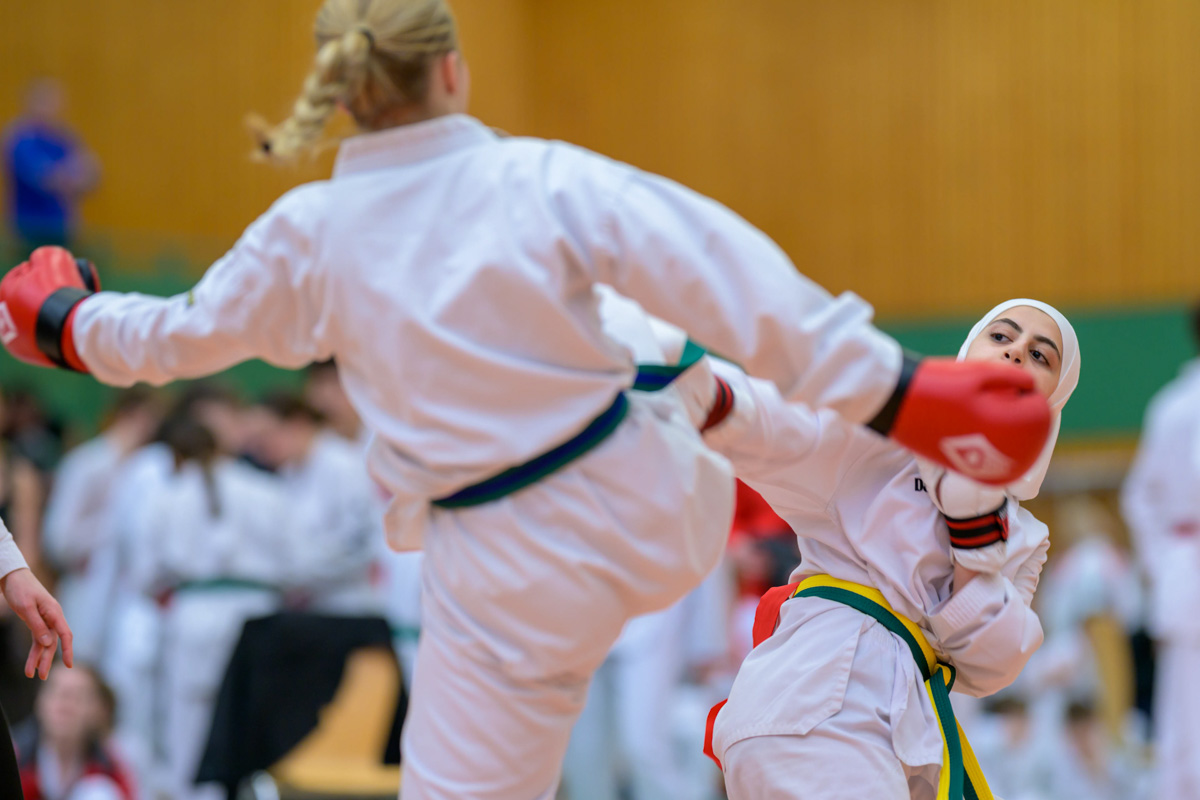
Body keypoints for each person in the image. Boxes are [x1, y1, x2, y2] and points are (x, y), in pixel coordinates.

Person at [0, 2, 1052, 796]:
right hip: (635, 504)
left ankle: (680, 377)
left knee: (642, 350)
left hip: (488, 566)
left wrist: (66, 323)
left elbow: (176, 334)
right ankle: (685, 376)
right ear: (453, 71)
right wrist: (907, 389)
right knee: (637, 331)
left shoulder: (306, 234)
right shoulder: (540, 180)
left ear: (343, 94)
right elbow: (733, 275)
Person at [704, 300, 1080, 799]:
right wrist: (691, 383)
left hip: (901, 724)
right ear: (967, 352)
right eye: (1001, 337)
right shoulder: (885, 444)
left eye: (1040, 356)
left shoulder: (1025, 536)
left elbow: (988, 667)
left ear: (1055, 398)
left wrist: (975, 541)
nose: (1016, 353)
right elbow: (777, 430)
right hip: (820, 691)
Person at [130, 415, 292, 800]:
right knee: (254, 714)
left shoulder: (166, 497)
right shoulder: (266, 489)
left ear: (175, 456)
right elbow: (295, 563)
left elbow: (145, 575)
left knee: (191, 724)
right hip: (259, 611)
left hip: (195, 614)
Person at [1120, 301, 1200, 798]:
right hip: (1188, 568)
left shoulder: (1172, 406)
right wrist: (1166, 563)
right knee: (1186, 708)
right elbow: (1139, 496)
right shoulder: (1176, 408)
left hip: (1181, 565)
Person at [42, 388, 160, 666]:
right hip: (87, 589)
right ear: (131, 415)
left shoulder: (149, 467)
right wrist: (111, 527)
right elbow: (58, 539)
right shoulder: (87, 463)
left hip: (127, 597)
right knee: (81, 664)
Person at [251, 393, 381, 614]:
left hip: (349, 605)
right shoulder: (287, 474)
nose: (262, 447)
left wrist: (301, 572)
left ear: (297, 424)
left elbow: (360, 543)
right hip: (307, 605)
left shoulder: (343, 465)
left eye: (267, 435)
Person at [2, 78, 99, 254]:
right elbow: (46, 179)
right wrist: (70, 178)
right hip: (29, 229)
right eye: (43, 100)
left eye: (53, 100)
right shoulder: (20, 138)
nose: (49, 106)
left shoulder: (64, 137)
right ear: (29, 101)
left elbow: (92, 174)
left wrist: (73, 179)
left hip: (61, 228)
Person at [14, 663, 134, 800]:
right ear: (40, 701)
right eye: (56, 691)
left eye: (77, 696)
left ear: (98, 710)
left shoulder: (110, 768)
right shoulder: (15, 757)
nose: (65, 703)